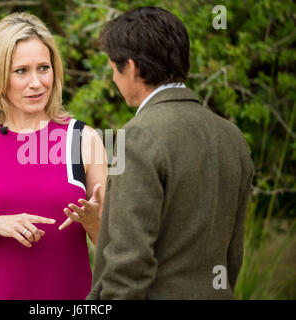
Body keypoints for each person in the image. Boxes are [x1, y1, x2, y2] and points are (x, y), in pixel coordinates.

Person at [0, 12, 107, 300]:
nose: (36, 82)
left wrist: (93, 221)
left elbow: (115, 245)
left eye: (43, 68)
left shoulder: (83, 140)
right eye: (21, 71)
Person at [87, 7, 254, 300]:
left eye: (114, 67)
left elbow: (128, 266)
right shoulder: (232, 137)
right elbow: (232, 257)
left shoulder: (138, 137)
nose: (113, 78)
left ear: (132, 67)